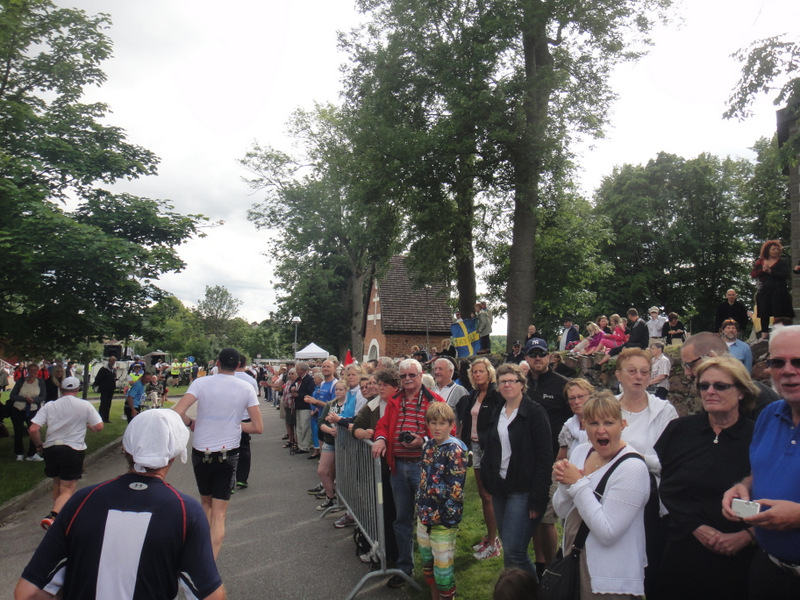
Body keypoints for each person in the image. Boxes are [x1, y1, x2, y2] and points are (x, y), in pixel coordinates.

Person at [14, 409, 225, 600]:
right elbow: (211, 596)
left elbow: (28, 593)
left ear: (125, 448)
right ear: (177, 454)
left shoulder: (82, 500)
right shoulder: (185, 511)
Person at [655, 356, 758, 600]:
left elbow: (772, 492)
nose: (710, 391)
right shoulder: (679, 431)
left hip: (739, 557)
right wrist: (697, 528)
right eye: (704, 385)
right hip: (683, 549)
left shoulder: (759, 437)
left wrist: (747, 536)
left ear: (741, 392)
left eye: (720, 386)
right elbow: (667, 487)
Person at [722, 325, 800, 599]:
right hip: (770, 571)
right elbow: (762, 470)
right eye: (778, 362)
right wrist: (742, 487)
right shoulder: (769, 415)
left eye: (798, 361)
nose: (788, 370)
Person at [552, 392, 651, 599]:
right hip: (574, 560)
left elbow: (608, 532)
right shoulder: (581, 452)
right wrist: (563, 483)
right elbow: (561, 510)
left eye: (609, 422)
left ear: (622, 424)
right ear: (585, 426)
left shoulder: (632, 468)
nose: (601, 430)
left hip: (608, 578)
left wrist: (577, 484)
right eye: (594, 423)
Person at [173, 347, 263, 558]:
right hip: (227, 453)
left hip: (201, 450)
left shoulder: (201, 383)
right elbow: (258, 427)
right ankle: (208, 562)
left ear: (218, 363)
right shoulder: (246, 387)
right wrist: (235, 424)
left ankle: (197, 554)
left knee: (205, 505)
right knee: (220, 513)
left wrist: (191, 422)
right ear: (239, 364)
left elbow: (177, 411)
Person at [372, 358, 447, 588]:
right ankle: (405, 568)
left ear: (421, 374)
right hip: (398, 467)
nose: (407, 380)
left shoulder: (434, 400)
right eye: (403, 376)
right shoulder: (394, 400)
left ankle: (435, 571)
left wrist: (423, 441)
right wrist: (381, 438)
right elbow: (382, 424)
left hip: (424, 467)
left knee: (430, 520)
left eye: (412, 375)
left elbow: (447, 429)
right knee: (401, 519)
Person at [615, 347, 678, 597]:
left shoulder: (664, 411)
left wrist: (633, 456)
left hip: (654, 503)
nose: (639, 377)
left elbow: (671, 461)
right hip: (616, 498)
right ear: (619, 375)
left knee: (653, 569)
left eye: (644, 372)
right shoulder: (608, 407)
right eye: (632, 371)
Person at [481, 363, 553, 578]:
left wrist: (538, 498)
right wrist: (489, 478)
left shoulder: (535, 413)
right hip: (500, 488)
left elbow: (544, 457)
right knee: (509, 552)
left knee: (515, 550)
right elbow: (491, 448)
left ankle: (536, 593)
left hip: (524, 490)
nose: (507, 385)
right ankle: (513, 591)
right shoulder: (499, 412)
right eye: (503, 381)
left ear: (522, 384)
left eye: (512, 381)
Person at [29, 376, 104, 530]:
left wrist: (38, 445)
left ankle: (60, 518)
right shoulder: (84, 405)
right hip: (72, 448)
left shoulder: (50, 405)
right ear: (77, 390)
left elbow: (33, 429)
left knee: (57, 483)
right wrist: (91, 428)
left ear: (61, 390)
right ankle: (53, 516)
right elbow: (99, 426)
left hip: (51, 448)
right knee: (68, 488)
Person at [523, 337, 569, 575]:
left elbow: (575, 422)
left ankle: (552, 570)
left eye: (542, 353)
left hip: (551, 461)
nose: (537, 358)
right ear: (527, 357)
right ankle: (540, 565)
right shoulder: (523, 384)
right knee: (533, 515)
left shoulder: (562, 385)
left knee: (546, 517)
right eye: (533, 354)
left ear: (550, 356)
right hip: (526, 461)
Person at [416, 402, 467, 600]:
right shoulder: (428, 446)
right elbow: (423, 477)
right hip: (424, 514)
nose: (437, 428)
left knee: (443, 568)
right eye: (433, 423)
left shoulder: (454, 450)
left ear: (451, 425)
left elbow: (455, 489)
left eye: (442, 423)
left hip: (444, 519)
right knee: (428, 564)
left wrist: (445, 516)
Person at [460, 358, 503, 560]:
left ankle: (494, 543)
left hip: (491, 449)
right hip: (475, 446)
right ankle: (490, 536)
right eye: (475, 372)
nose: (478, 375)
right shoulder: (474, 395)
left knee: (489, 496)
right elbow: (467, 420)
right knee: (483, 494)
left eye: (481, 371)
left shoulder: (496, 395)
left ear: (489, 373)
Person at [680, 331, 777, 420]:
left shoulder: (761, 398)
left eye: (690, 365)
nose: (686, 373)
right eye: (705, 386)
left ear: (711, 357)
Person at [315, 380, 349, 510]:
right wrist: (329, 430)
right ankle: (330, 496)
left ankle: (345, 502)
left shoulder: (349, 404)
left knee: (344, 473)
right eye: (336, 390)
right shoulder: (330, 404)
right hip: (330, 441)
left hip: (345, 443)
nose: (338, 392)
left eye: (341, 389)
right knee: (322, 470)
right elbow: (321, 421)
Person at [751, 240, 794, 339]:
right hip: (765, 291)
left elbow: (785, 275)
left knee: (778, 312)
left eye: (777, 249)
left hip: (779, 291)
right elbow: (753, 274)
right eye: (773, 249)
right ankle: (764, 334)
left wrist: (770, 271)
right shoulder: (760, 261)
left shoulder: (782, 262)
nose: (776, 251)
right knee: (764, 313)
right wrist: (763, 270)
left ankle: (778, 333)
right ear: (767, 250)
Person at [9, 366, 46, 461]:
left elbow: (43, 396)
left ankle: (32, 453)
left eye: (35, 370)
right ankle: (19, 453)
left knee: (33, 431)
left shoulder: (40, 382)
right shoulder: (21, 381)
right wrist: (24, 399)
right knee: (18, 431)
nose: (33, 372)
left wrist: (34, 400)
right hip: (18, 409)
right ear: (28, 371)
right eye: (31, 370)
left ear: (37, 371)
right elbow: (12, 395)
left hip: (33, 409)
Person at [556, 379, 595, 461]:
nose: (576, 402)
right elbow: (561, 459)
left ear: (591, 397)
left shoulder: (602, 425)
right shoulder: (568, 427)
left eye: (581, 397)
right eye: (572, 398)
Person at [432, 358, 469, 435]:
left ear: (450, 371)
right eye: (435, 369)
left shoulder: (460, 391)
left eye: (440, 369)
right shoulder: (432, 391)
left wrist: (459, 439)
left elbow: (465, 420)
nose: (436, 372)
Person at [93, 356, 117, 423]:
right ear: (109, 361)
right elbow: (98, 378)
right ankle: (101, 417)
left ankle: (106, 418)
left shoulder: (113, 369)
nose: (113, 363)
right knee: (103, 403)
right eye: (112, 361)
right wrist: (98, 385)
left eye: (114, 361)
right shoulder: (104, 369)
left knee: (108, 403)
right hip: (104, 388)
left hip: (111, 389)